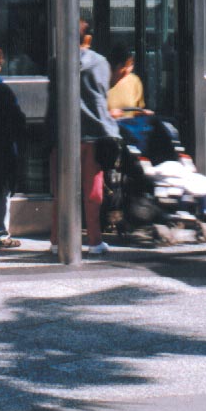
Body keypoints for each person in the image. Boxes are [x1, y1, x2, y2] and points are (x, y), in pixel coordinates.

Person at [78, 19, 121, 253]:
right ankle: (94, 240)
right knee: (93, 191)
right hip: (93, 135)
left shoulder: (57, 61)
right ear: (89, 38)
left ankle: (57, 239)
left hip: (65, 135)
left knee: (61, 190)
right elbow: (100, 96)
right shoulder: (100, 62)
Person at [0, 45, 28, 253]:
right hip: (1, 149)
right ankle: (0, 234)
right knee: (0, 191)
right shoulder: (1, 89)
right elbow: (18, 120)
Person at [107, 50, 145, 116]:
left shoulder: (135, 81)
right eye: (123, 66)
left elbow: (137, 110)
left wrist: (143, 113)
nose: (126, 70)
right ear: (113, 66)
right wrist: (108, 115)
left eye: (130, 65)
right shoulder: (101, 82)